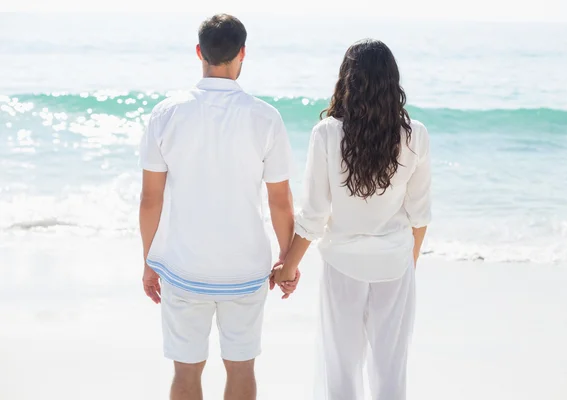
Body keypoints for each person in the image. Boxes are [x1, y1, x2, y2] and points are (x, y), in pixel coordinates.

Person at [139, 14, 298, 400]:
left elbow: (150, 198)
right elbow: (279, 199)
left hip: (183, 266)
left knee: (185, 372)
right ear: (243, 53)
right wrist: (287, 258)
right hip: (245, 268)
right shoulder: (266, 117)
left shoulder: (166, 113)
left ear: (199, 53)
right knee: (242, 368)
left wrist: (149, 260)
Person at [273, 39, 432, 400]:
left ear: (347, 81)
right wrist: (408, 263)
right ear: (393, 82)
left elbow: (314, 216)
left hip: (343, 264)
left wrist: (287, 268)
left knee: (340, 368)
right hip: (395, 263)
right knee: (391, 369)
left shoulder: (328, 133)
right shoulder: (414, 135)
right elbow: (420, 214)